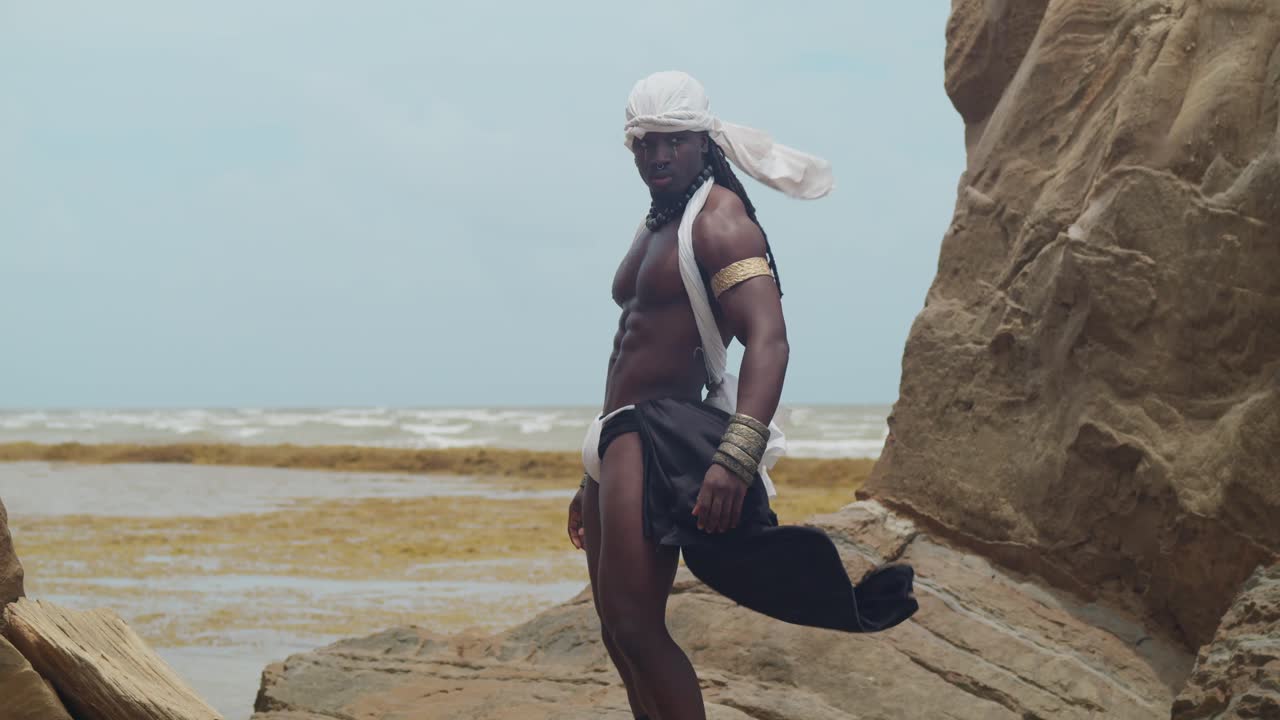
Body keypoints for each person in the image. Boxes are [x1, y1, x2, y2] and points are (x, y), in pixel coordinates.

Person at [565, 71, 917, 720]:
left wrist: (736, 455)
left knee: (640, 629)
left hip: (656, 438)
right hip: (616, 439)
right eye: (644, 143)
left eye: (673, 141)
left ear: (705, 142)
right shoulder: (658, 223)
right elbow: (631, 350)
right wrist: (589, 473)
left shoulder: (721, 223)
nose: (657, 156)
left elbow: (768, 340)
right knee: (619, 633)